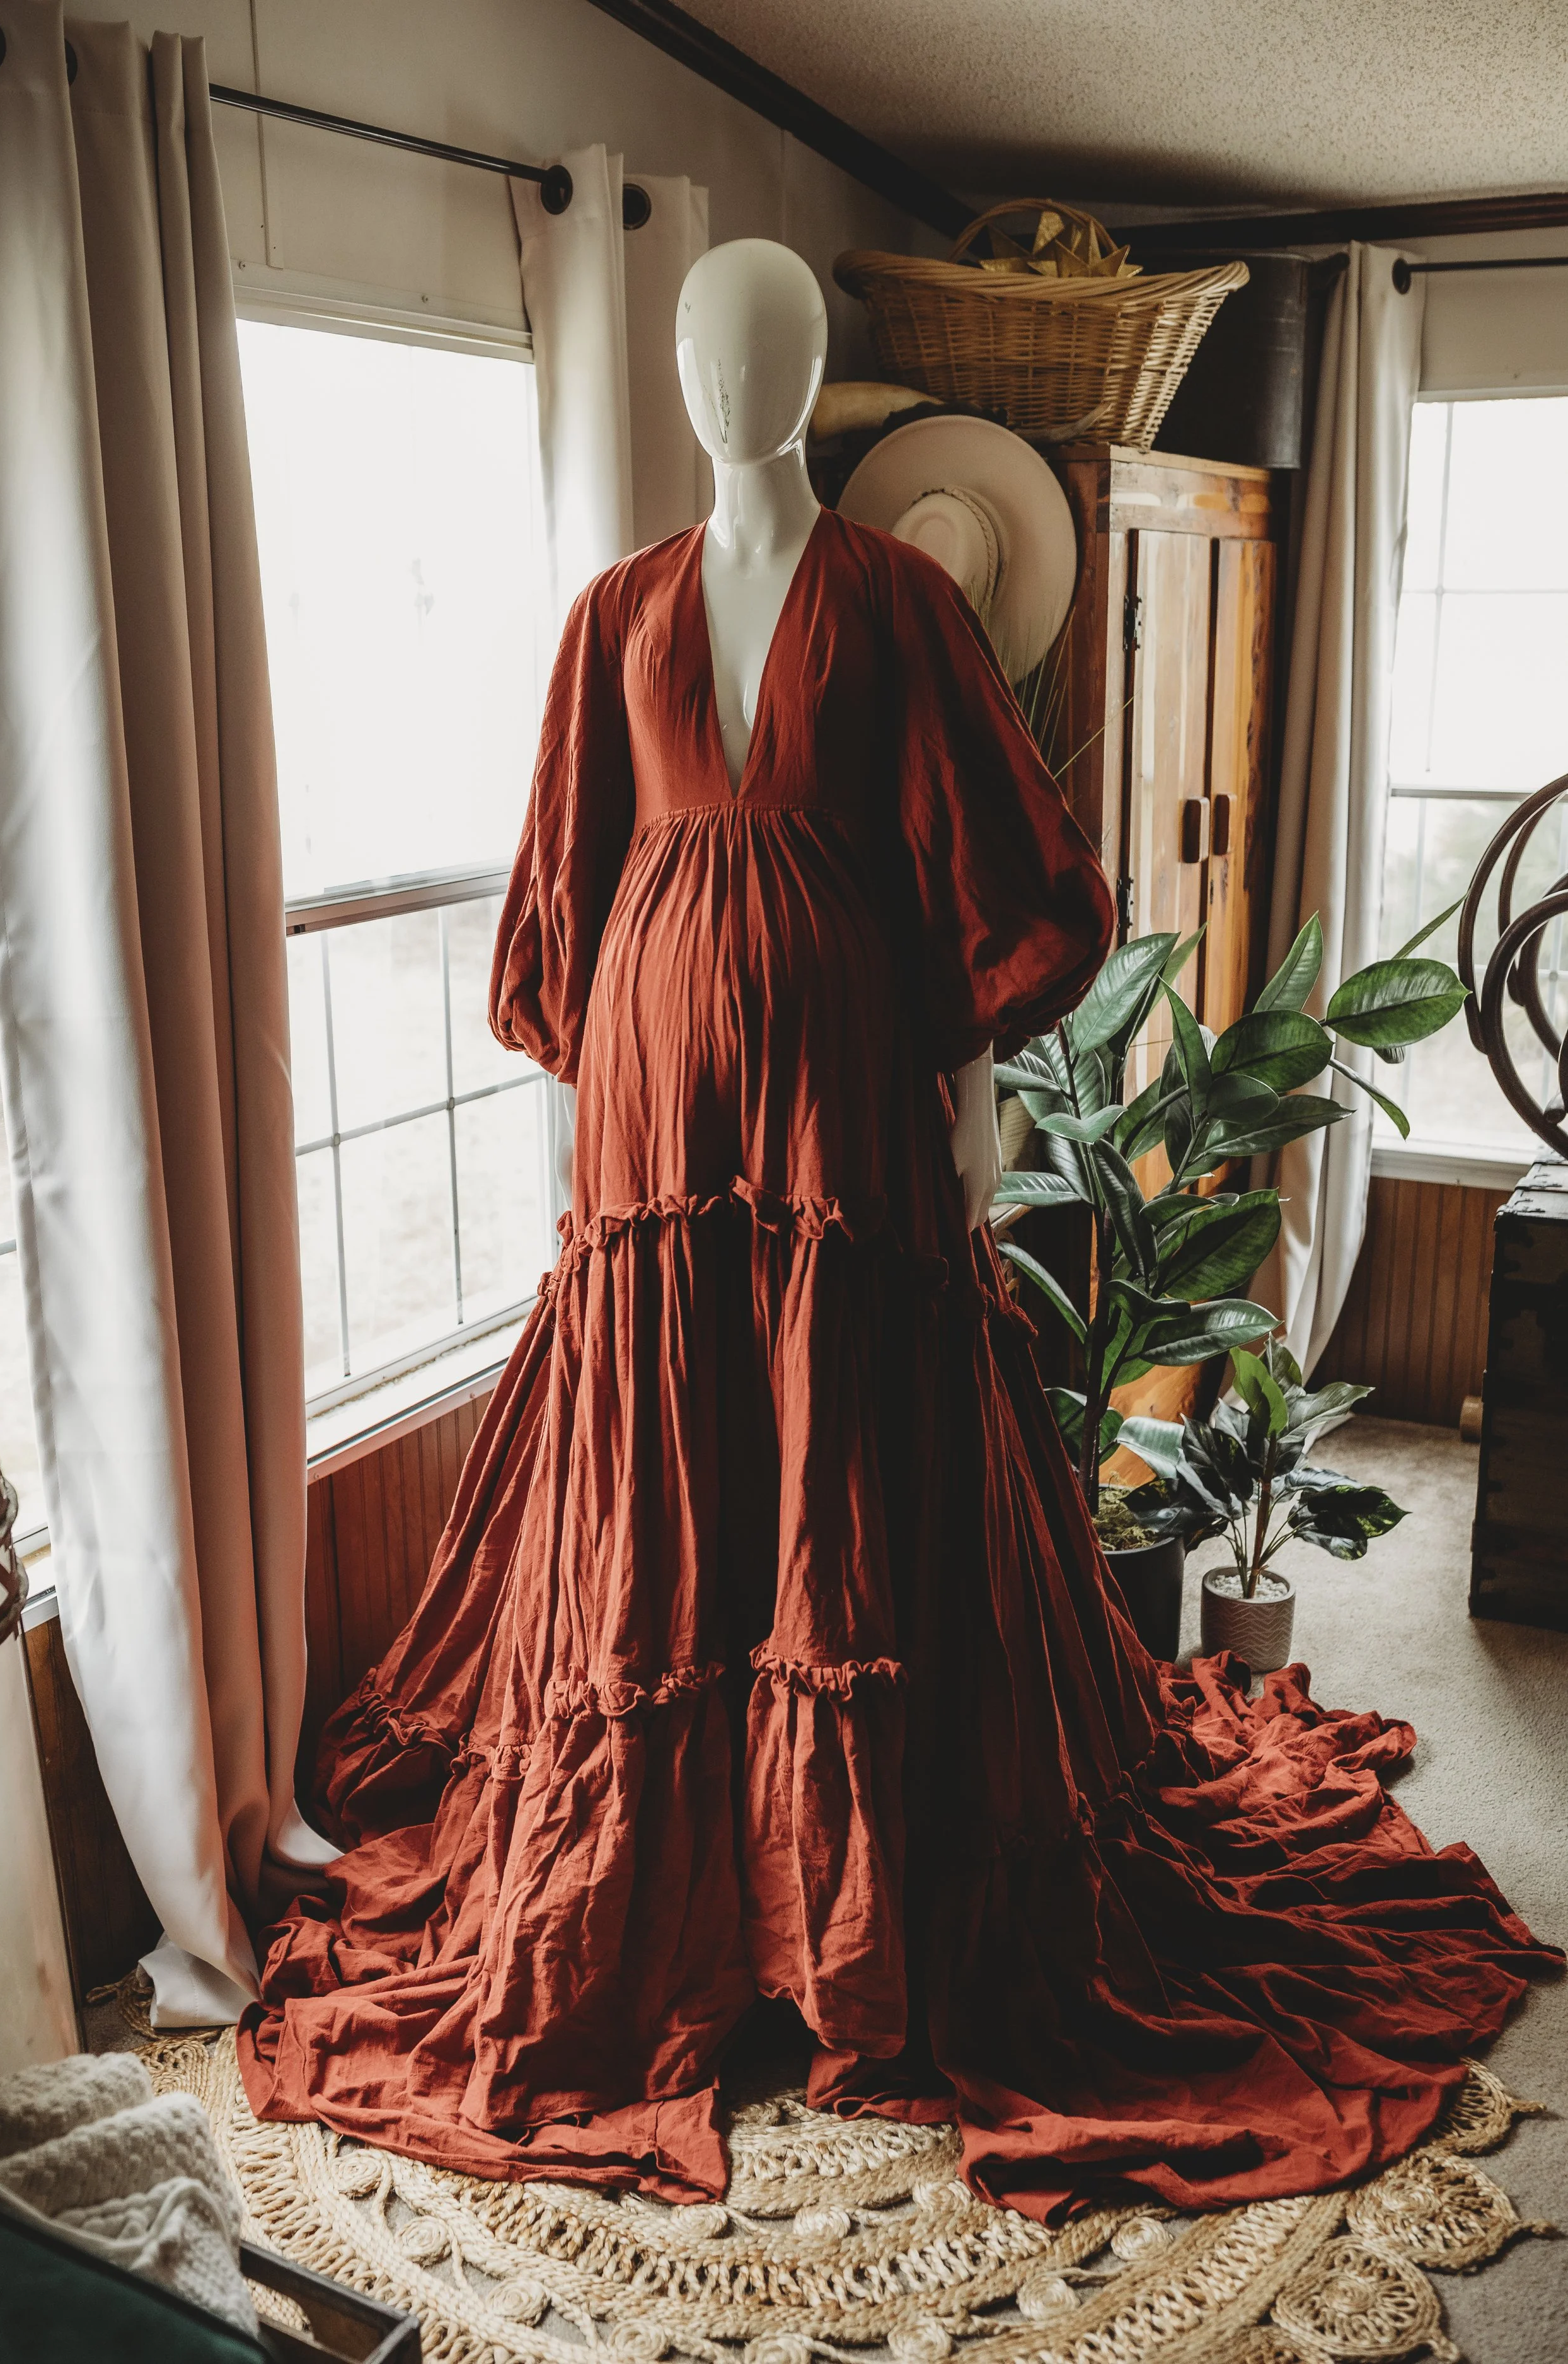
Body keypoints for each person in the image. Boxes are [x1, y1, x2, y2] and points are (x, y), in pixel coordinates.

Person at [240, 242, 1558, 2220]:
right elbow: (567, 892)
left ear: (806, 368)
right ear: (682, 373)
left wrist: (965, 1123)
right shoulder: (613, 614)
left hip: (850, 1113)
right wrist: (591, 1162)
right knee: (685, 1495)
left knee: (845, 1477)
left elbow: (983, 875)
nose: (727, 375)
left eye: (761, 345)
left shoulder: (903, 602)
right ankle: (687, 1903)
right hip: (661, 1136)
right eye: (702, 345)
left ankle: (848, 1919)